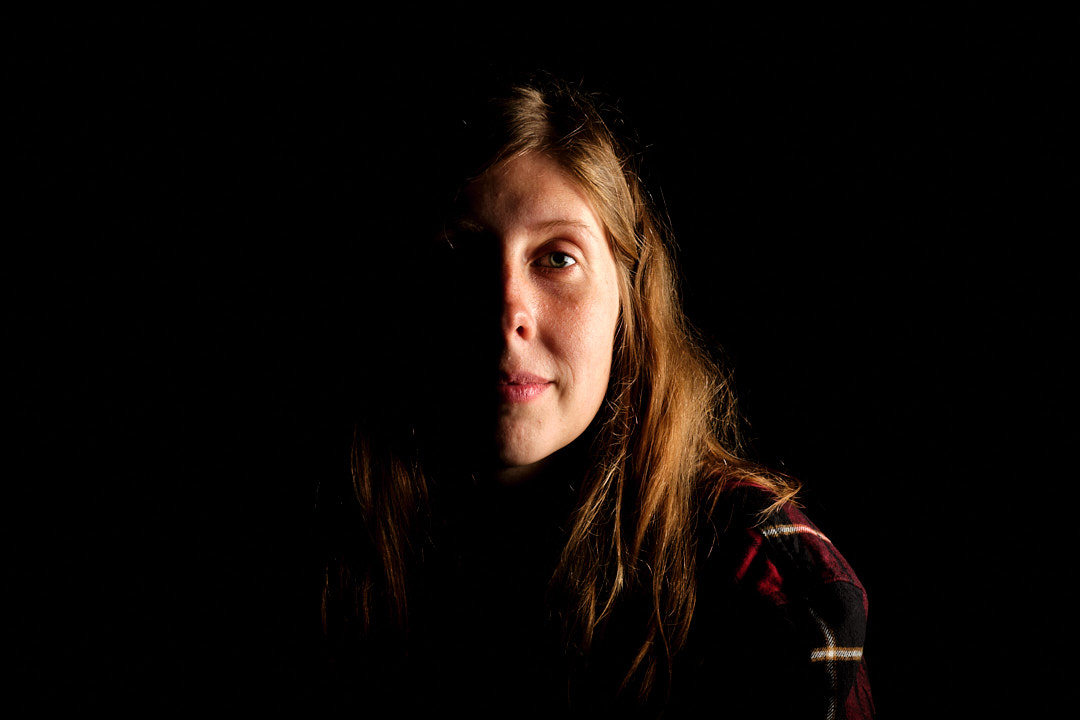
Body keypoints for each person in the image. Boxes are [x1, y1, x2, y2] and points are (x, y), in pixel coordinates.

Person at [319, 74, 875, 718]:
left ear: (627, 297)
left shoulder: (759, 576)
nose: (507, 313)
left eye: (557, 258)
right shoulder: (343, 545)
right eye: (463, 256)